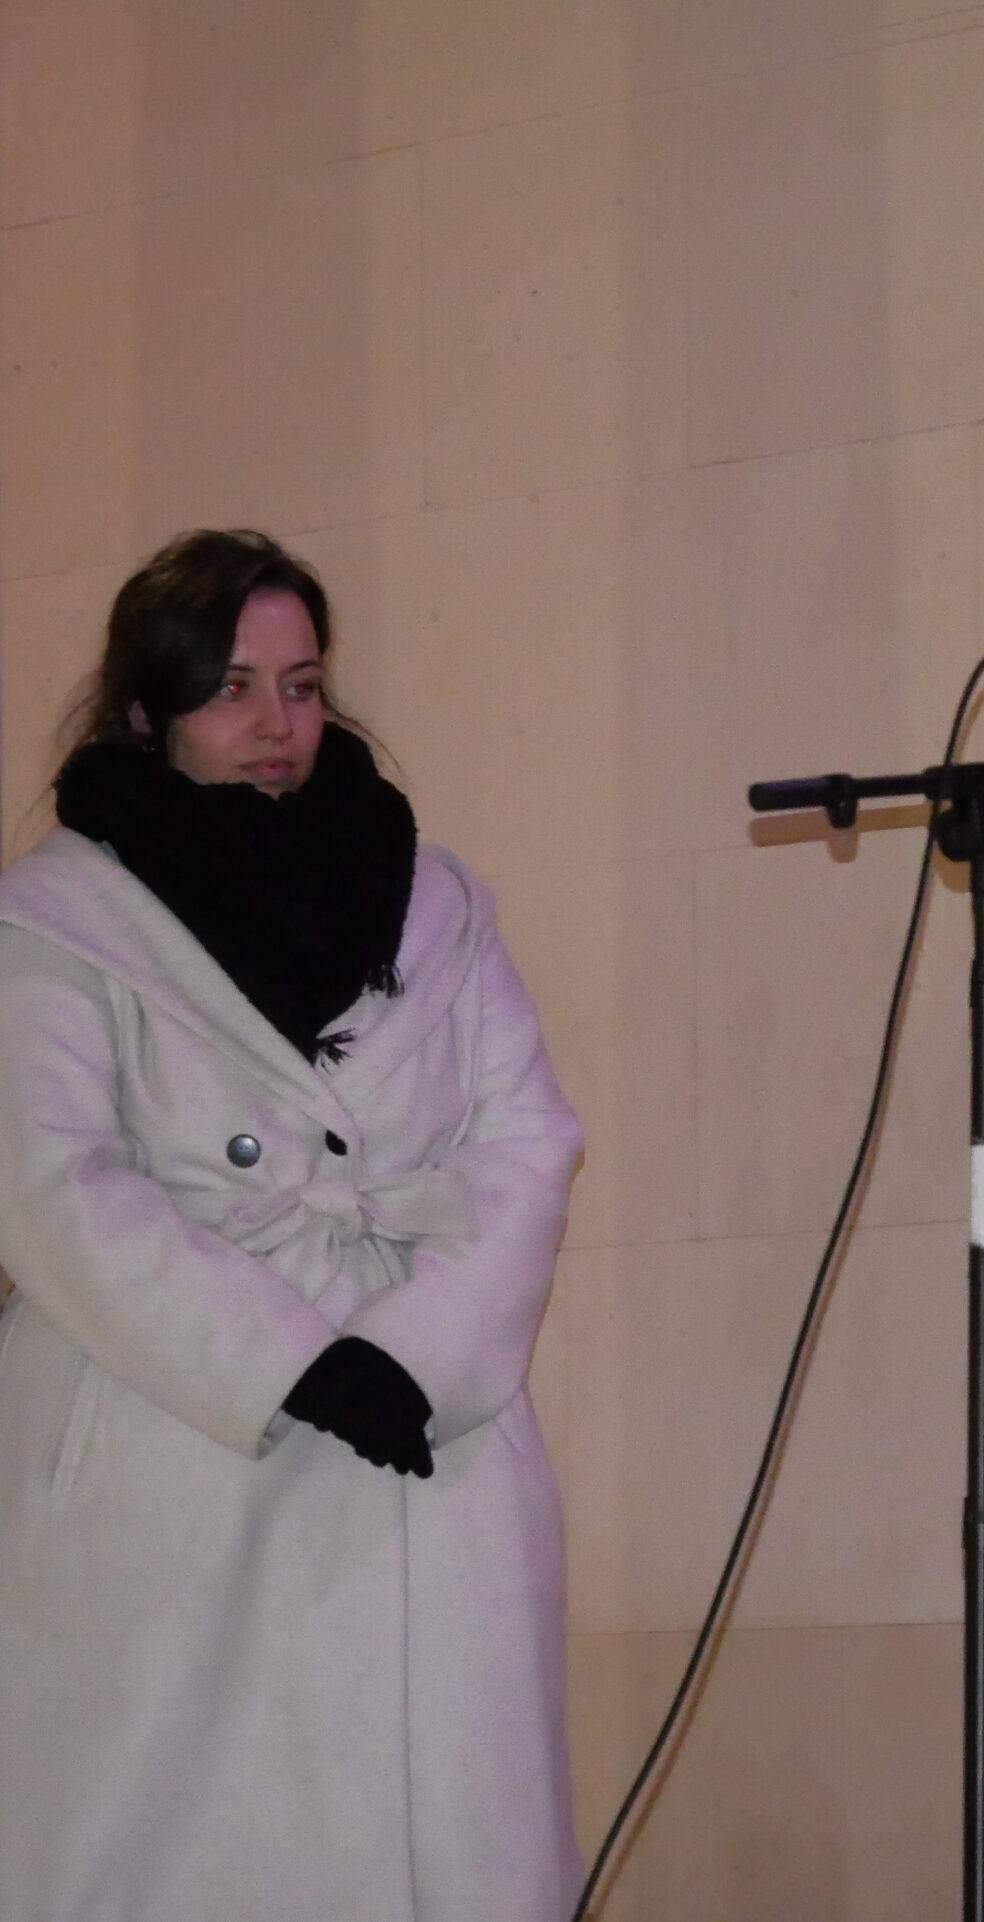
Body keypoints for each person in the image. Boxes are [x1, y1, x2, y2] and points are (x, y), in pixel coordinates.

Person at [0, 530, 583, 1921]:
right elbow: (50, 1177)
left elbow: (526, 1139)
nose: (279, 725)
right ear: (150, 711)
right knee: (187, 1840)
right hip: (181, 1434)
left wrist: (413, 1352)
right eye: (236, 688)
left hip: (424, 1441)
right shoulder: (56, 920)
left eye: (305, 684)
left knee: (444, 1830)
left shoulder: (434, 900)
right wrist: (289, 1362)